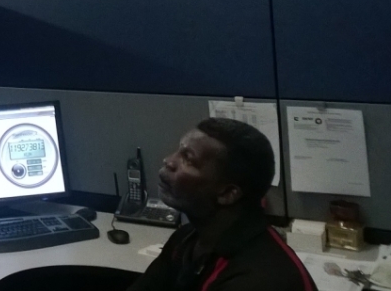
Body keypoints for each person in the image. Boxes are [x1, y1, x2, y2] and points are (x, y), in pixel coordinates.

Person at [129, 118, 317, 291]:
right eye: (178, 151)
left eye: (188, 159)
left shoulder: (260, 278)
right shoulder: (186, 241)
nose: (168, 161)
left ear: (227, 193)